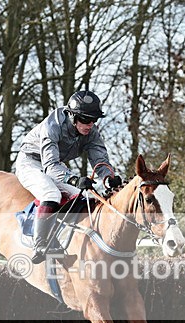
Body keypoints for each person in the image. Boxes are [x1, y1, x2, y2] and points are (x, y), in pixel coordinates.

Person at [14, 89, 123, 264]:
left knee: (87, 196)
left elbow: (99, 159)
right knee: (51, 194)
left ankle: (67, 238)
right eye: (86, 120)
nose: (90, 124)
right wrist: (73, 180)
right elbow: (50, 166)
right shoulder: (53, 126)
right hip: (31, 162)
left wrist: (108, 178)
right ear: (72, 116)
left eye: (94, 120)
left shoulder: (91, 132)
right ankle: (40, 243)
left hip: (55, 164)